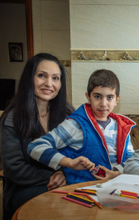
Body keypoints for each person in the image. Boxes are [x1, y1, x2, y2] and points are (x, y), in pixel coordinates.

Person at [0, 53, 75, 219]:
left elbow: (80, 151)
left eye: (55, 78)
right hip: (24, 188)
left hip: (65, 181)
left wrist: (64, 173)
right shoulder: (12, 117)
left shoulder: (68, 112)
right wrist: (53, 176)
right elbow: (14, 168)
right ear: (29, 78)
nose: (49, 83)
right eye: (42, 76)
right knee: (65, 202)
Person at [28, 69, 135, 184]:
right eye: (97, 96)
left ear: (116, 100)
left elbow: (132, 162)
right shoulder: (75, 124)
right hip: (81, 191)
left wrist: (114, 174)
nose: (103, 104)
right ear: (88, 97)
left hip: (115, 189)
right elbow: (35, 147)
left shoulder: (121, 127)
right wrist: (69, 163)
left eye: (109, 97)